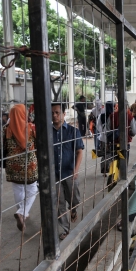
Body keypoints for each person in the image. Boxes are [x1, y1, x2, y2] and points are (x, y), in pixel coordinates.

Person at [0, 104, 38, 232]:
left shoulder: (6, 129)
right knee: (32, 189)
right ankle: (22, 212)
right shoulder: (31, 128)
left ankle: (22, 212)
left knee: (18, 189)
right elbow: (39, 143)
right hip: (29, 165)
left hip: (12, 165)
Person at [52, 102, 85, 240]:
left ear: (64, 114)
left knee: (74, 198)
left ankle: (74, 209)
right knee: (59, 203)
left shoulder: (73, 131)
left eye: (57, 112)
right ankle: (65, 230)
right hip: (54, 175)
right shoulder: (47, 133)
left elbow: (79, 151)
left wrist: (76, 170)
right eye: (52, 113)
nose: (54, 116)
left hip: (70, 172)